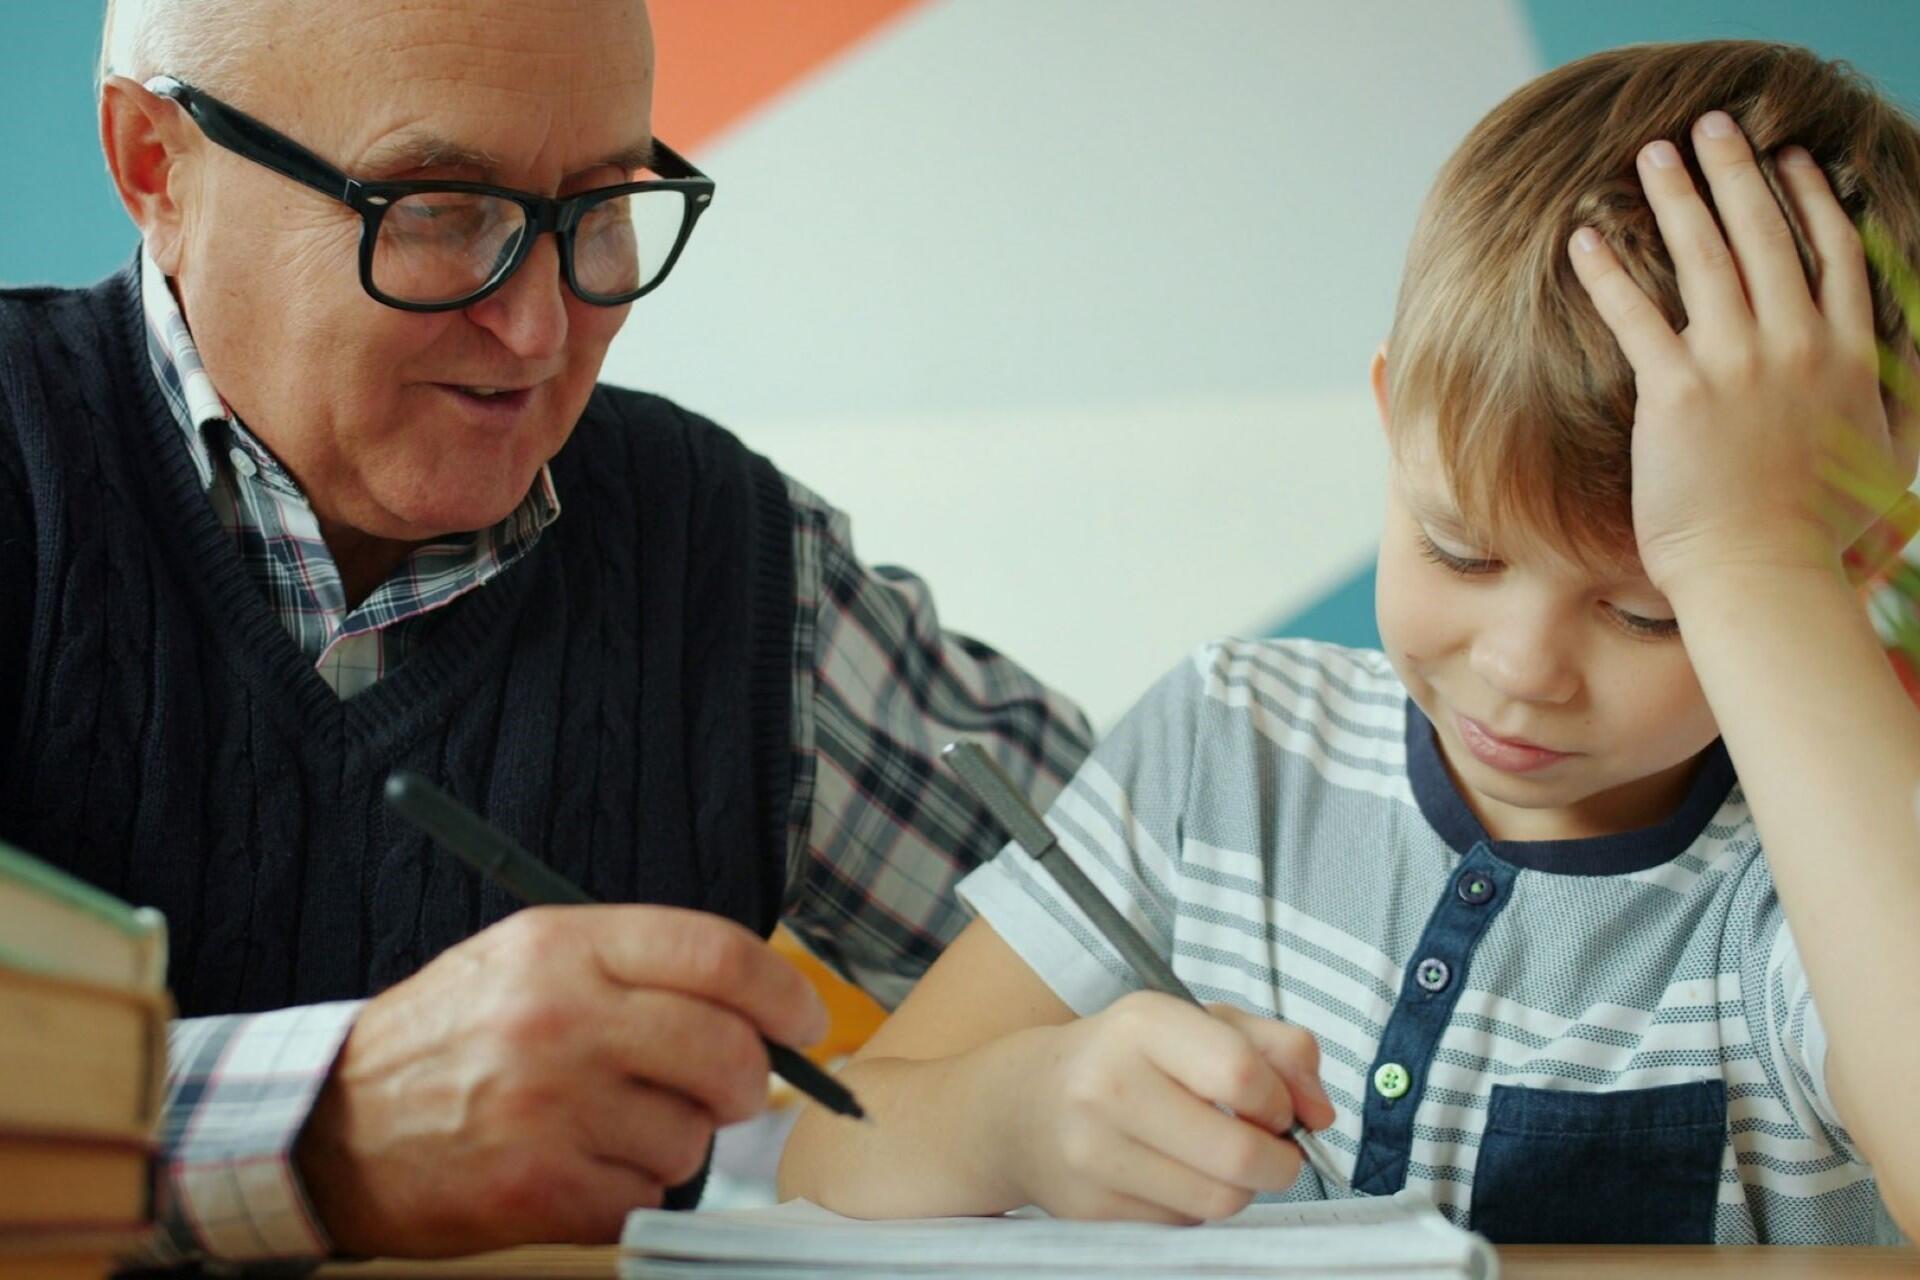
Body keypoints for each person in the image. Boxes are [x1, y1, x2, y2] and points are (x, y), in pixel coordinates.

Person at [0, 0, 1092, 1264]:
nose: (539, 331)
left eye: (600, 207)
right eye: (439, 210)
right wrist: (321, 1130)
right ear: (156, 165)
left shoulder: (731, 562)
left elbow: (1166, 925)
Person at [780, 40, 1920, 1244]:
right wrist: (1012, 1118)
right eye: (1459, 548)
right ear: (1392, 418)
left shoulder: (1826, 887)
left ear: (1851, 565)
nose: (1521, 666)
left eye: (1656, 608)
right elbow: (820, 1150)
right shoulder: (1224, 748)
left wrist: (1756, 558)